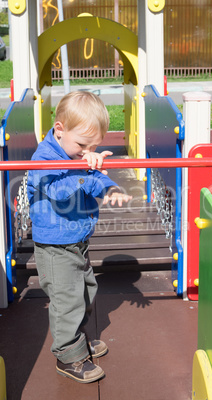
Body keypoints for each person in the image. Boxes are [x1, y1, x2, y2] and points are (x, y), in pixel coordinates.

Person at [27, 91, 132, 384]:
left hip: (77, 241)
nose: (87, 151)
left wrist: (110, 188)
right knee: (67, 300)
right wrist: (87, 167)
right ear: (60, 130)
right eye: (82, 145)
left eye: (94, 146)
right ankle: (67, 356)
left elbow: (97, 177)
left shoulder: (76, 153)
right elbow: (60, 193)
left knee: (86, 291)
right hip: (54, 245)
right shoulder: (44, 157)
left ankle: (76, 339)